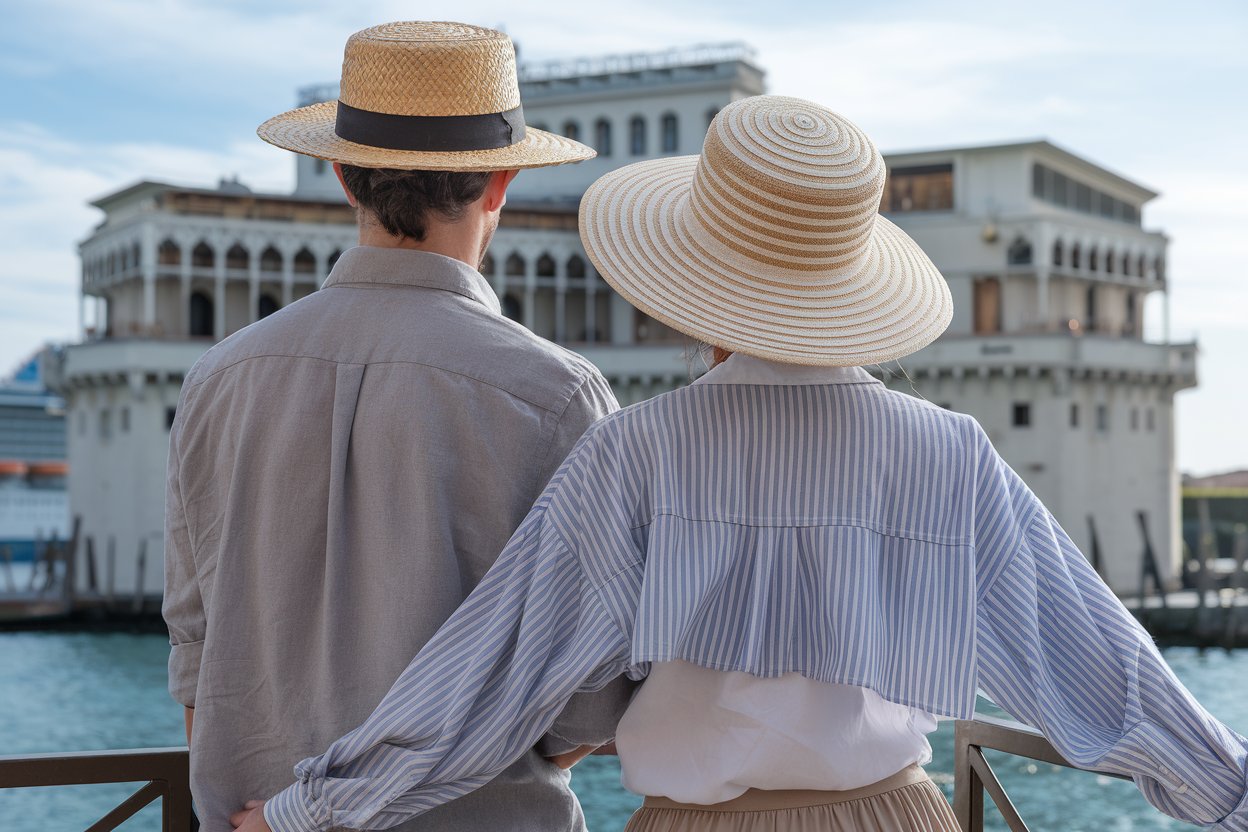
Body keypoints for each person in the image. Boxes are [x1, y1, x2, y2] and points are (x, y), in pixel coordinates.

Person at [236, 97, 1248, 832]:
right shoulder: (950, 451)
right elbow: (1102, 673)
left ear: (691, 268)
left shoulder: (636, 452)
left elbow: (495, 675)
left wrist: (313, 808)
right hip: (898, 816)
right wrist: (1230, 792)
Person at [162, 21, 634, 832]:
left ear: (345, 177)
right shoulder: (558, 394)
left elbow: (197, 661)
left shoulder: (218, 378)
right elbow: (589, 707)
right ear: (500, 183)